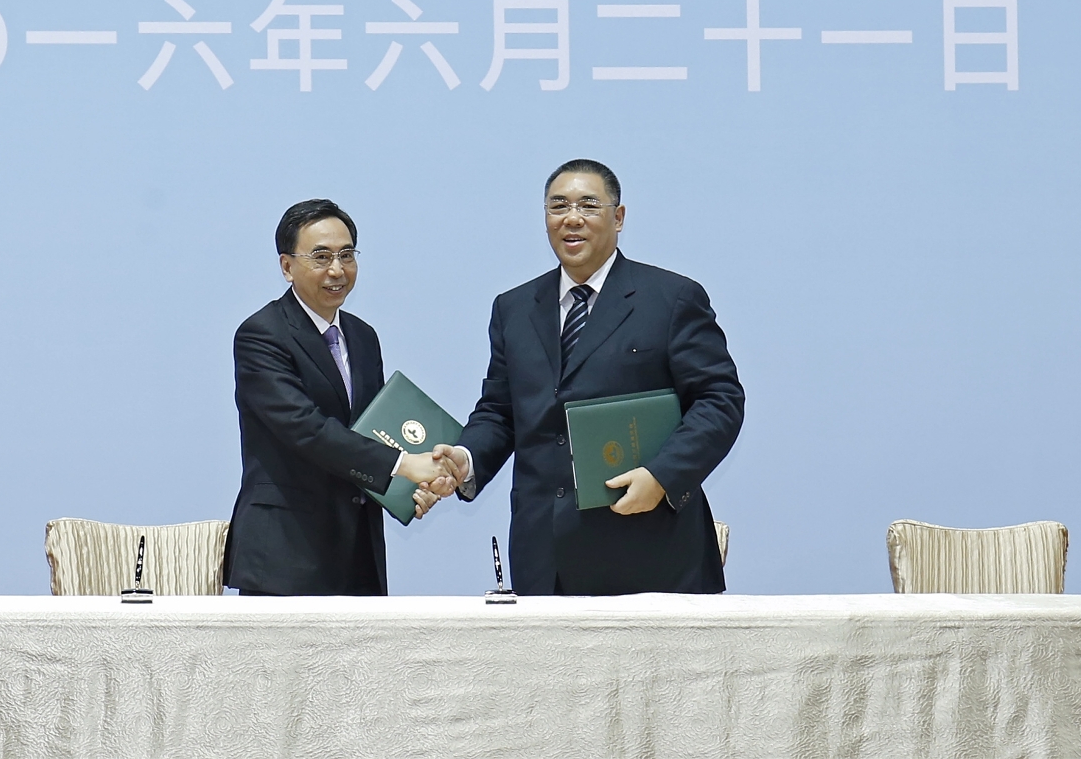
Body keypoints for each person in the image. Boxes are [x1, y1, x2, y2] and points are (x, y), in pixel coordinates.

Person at [434, 159, 744, 595]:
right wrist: (466, 460)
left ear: (618, 218)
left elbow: (719, 401)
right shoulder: (514, 308)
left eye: (588, 205)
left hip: (649, 545)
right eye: (558, 206)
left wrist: (661, 476)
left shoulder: (670, 298)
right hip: (546, 556)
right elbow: (501, 411)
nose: (571, 218)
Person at [223, 199, 445, 596]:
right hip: (286, 553)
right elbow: (305, 429)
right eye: (321, 257)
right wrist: (405, 465)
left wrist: (410, 490)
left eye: (347, 255)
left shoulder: (362, 336)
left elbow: (372, 431)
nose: (337, 270)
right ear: (287, 266)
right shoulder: (261, 334)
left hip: (358, 547)